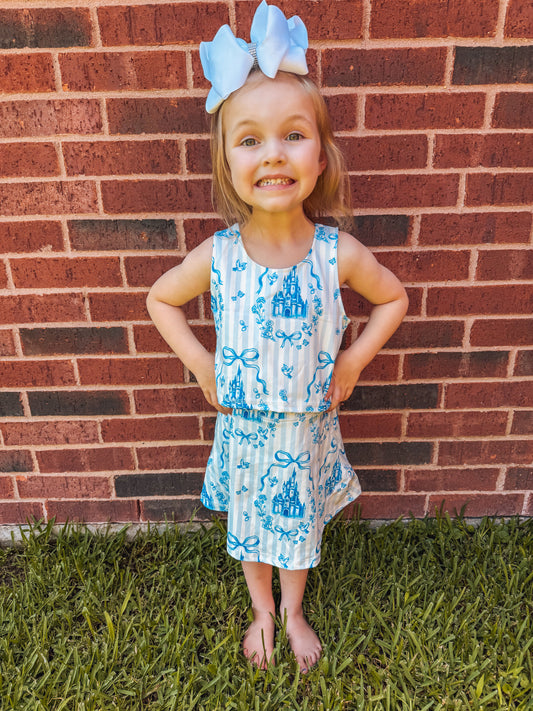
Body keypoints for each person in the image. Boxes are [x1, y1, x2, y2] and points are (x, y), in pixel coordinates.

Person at [147, 1, 408, 674]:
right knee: (252, 530)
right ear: (227, 162)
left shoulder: (335, 254)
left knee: (296, 529)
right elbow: (160, 299)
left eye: (293, 135)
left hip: (305, 433)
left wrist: (353, 358)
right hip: (245, 432)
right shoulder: (218, 256)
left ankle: (293, 610)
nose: (273, 154)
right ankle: (260, 608)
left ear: (320, 157)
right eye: (250, 140)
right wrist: (202, 363)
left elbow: (392, 298)